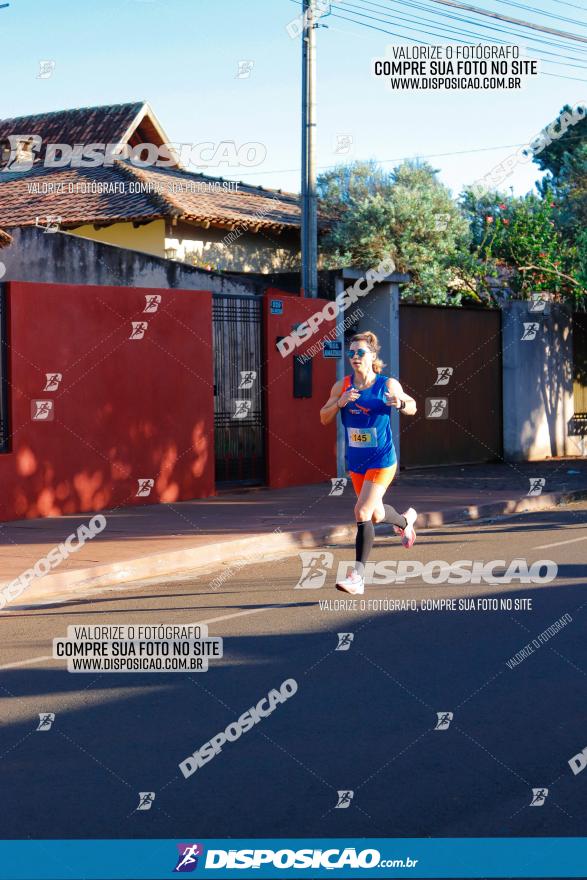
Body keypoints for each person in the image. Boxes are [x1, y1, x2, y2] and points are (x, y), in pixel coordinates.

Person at [320, 330, 417, 595]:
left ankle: (357, 577)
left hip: (382, 460)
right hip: (356, 462)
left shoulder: (386, 384)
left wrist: (400, 404)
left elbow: (413, 405)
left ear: (372, 356)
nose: (354, 357)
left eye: (360, 352)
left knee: (362, 512)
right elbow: (323, 417)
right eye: (351, 353)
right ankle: (404, 522)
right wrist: (339, 403)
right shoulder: (342, 386)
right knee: (375, 514)